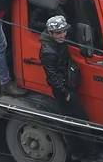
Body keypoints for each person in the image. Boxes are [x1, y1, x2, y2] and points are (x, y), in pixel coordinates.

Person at [38, 14, 93, 154]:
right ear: (50, 33)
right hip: (64, 89)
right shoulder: (48, 52)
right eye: (58, 33)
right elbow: (52, 77)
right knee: (78, 120)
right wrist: (65, 92)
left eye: (64, 31)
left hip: (68, 84)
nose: (63, 35)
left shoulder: (57, 42)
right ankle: (86, 152)